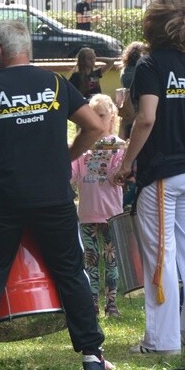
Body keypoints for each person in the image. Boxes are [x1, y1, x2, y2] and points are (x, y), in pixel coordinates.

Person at [0, 19, 113, 370]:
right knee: (70, 270)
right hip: (52, 195)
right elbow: (96, 126)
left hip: (3, 197)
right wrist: (68, 156)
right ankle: (92, 355)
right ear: (29, 49)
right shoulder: (54, 82)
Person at [110, 0, 185, 355]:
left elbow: (145, 118)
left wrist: (128, 161)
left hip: (161, 175)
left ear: (151, 26)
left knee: (160, 254)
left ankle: (161, 341)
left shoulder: (149, 66)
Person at [71, 94, 126, 318]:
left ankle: (111, 303)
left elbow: (116, 177)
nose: (96, 120)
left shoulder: (117, 146)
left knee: (111, 259)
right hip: (87, 213)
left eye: (101, 115)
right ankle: (92, 302)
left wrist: (120, 163)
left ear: (111, 117)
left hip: (111, 213)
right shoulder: (81, 147)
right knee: (90, 260)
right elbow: (72, 176)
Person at [117, 41, 146, 140]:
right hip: (137, 103)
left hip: (127, 103)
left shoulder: (124, 70)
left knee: (124, 128)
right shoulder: (140, 70)